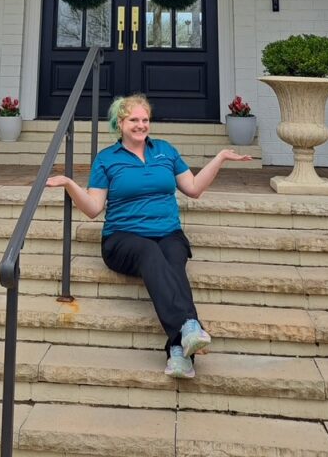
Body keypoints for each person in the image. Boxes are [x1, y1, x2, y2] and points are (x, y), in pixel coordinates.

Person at [46, 93, 252, 378]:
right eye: (134, 120)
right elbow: (94, 208)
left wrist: (219, 158)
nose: (141, 125)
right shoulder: (107, 159)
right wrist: (70, 183)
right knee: (149, 252)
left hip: (168, 232)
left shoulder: (165, 151)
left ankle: (179, 351)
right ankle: (189, 325)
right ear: (120, 123)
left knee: (173, 257)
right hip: (122, 238)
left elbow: (193, 188)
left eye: (145, 120)